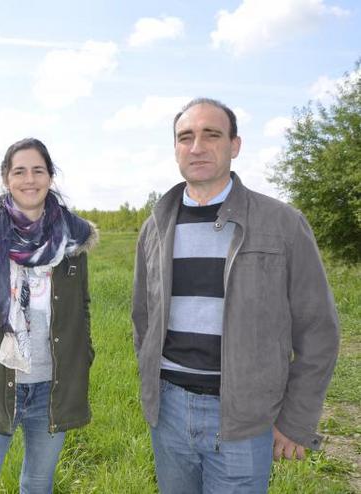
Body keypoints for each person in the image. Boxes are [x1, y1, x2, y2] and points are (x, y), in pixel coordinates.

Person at [131, 98, 340, 493]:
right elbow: (143, 317)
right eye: (185, 137)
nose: (197, 147)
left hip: (245, 417)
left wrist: (295, 420)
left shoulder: (282, 223)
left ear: (235, 145)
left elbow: (319, 331)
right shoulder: (155, 228)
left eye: (212, 135)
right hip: (170, 412)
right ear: (175, 148)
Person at [0, 137, 98, 494]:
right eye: (20, 171)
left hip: (52, 388)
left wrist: (83, 354)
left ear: (51, 177)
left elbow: (82, 307)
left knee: (38, 484)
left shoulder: (73, 242)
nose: (30, 179)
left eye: (38, 170)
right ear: (6, 179)